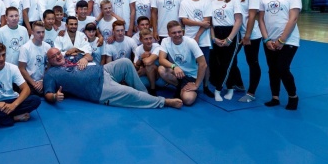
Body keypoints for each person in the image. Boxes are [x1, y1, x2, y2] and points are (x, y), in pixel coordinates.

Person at [44, 48, 183, 109]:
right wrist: (55, 97)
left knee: (125, 62)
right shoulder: (51, 74)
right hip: (99, 89)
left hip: (103, 70)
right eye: (53, 57)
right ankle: (163, 102)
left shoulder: (70, 56)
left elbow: (89, 56)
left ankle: (145, 96)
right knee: (130, 93)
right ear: (49, 61)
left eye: (58, 53)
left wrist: (85, 58)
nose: (58, 57)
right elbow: (47, 94)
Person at [259, 0, 301, 110]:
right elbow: (261, 20)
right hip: (269, 40)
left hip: (288, 40)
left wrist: (282, 40)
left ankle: (293, 96)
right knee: (272, 69)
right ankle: (275, 97)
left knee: (282, 68)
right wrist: (266, 40)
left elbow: (293, 19)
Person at [230, 0, 263, 102]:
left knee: (252, 62)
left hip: (251, 34)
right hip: (235, 33)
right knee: (229, 59)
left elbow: (252, 16)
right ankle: (238, 83)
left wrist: (247, 35)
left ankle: (251, 93)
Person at [158, 21, 207, 106]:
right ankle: (180, 87)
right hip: (178, 74)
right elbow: (161, 59)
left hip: (191, 76)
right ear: (169, 34)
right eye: (174, 33)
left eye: (179, 32)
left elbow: (203, 64)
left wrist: (196, 85)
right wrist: (174, 66)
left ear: (183, 32)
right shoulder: (165, 41)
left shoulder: (190, 42)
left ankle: (187, 89)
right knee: (161, 69)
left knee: (188, 100)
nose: (177, 35)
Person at [209, 0, 243, 102]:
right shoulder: (212, 3)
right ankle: (230, 86)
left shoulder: (234, 0)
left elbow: (238, 20)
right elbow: (210, 23)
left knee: (227, 63)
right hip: (217, 32)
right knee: (220, 63)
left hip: (231, 32)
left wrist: (230, 38)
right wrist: (214, 38)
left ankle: (218, 89)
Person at [179, 0, 214, 97]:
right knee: (190, 63)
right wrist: (200, 23)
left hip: (203, 38)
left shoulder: (206, 1)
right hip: (189, 37)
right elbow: (184, 21)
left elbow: (207, 22)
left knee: (205, 63)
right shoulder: (184, 3)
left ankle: (206, 86)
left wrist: (198, 36)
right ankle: (189, 83)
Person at [18, 21, 51, 95]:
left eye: (43, 32)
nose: (41, 35)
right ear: (32, 32)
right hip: (30, 81)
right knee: (32, 98)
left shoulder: (47, 46)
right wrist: (34, 83)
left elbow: (49, 66)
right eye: (38, 32)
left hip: (43, 80)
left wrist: (42, 81)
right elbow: (21, 69)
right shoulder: (25, 48)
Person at [134, 28, 162, 96]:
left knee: (149, 66)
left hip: (158, 73)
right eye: (146, 39)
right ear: (140, 40)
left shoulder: (157, 46)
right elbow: (135, 67)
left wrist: (144, 60)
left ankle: (153, 90)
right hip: (146, 73)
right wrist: (141, 57)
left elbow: (148, 62)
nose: (149, 41)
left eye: (150, 38)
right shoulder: (138, 49)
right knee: (138, 72)